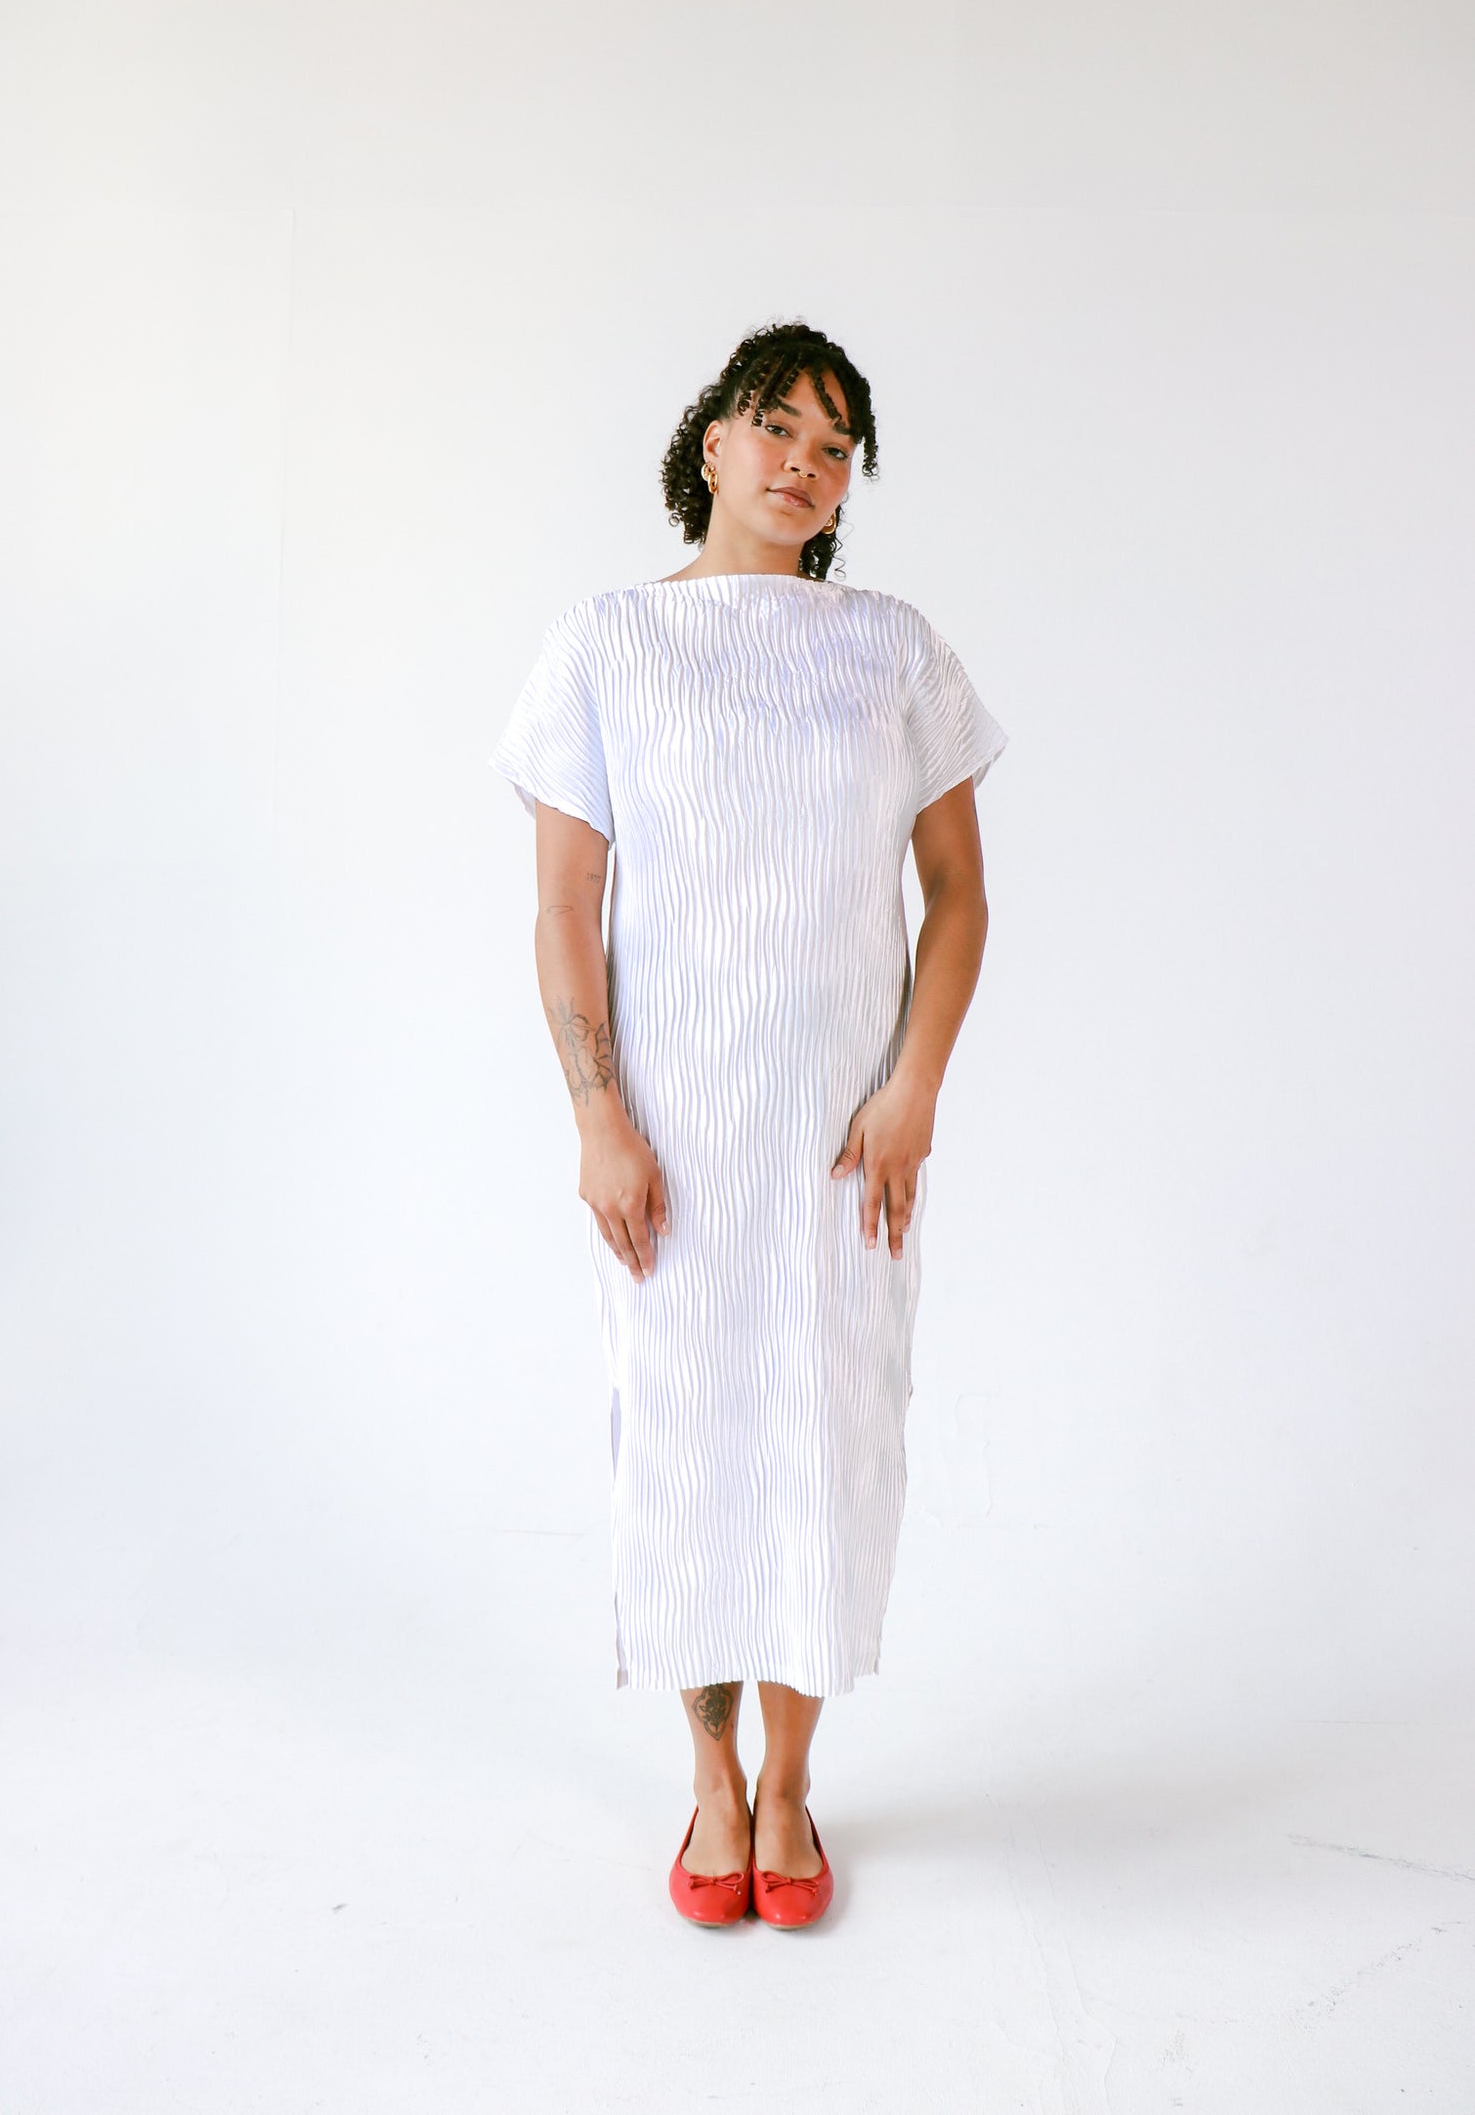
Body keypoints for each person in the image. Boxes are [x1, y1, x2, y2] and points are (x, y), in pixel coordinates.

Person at [489, 320, 1008, 1929]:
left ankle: (791, 1781)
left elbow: (958, 893)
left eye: (837, 447)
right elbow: (564, 907)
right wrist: (599, 1116)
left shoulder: (891, 651)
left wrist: (913, 1089)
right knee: (686, 1449)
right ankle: (710, 1777)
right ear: (712, 440)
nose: (804, 461)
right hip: (676, 1146)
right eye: (778, 425)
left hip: (847, 1149)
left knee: (827, 1445)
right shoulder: (606, 644)